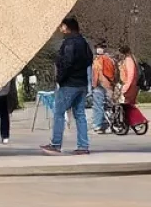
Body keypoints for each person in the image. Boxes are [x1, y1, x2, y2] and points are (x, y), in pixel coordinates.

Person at [40, 15, 93, 156]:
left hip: (69, 83)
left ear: (68, 27)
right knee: (80, 115)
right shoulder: (83, 42)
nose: (60, 28)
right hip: (81, 83)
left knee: (58, 112)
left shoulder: (69, 43)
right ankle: (83, 145)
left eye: (62, 26)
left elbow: (66, 62)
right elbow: (89, 60)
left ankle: (56, 144)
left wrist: (60, 78)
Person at [91, 40, 116, 134]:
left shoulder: (98, 60)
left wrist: (94, 84)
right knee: (108, 106)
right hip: (110, 85)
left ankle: (98, 126)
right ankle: (110, 126)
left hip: (100, 84)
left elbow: (97, 74)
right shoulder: (111, 59)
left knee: (98, 105)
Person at [119, 45, 139, 110]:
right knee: (130, 106)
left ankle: (141, 119)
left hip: (130, 86)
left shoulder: (128, 60)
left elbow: (131, 75)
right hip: (133, 85)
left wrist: (125, 87)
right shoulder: (132, 59)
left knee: (128, 106)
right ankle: (139, 119)